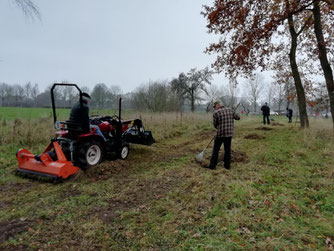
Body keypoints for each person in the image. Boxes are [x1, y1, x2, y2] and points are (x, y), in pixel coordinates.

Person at [204, 101, 240, 170]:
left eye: (215, 107)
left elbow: (215, 124)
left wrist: (219, 127)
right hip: (229, 134)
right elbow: (238, 118)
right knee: (227, 150)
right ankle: (227, 166)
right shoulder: (230, 110)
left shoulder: (216, 113)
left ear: (218, 105)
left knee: (216, 149)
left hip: (220, 134)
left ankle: (212, 165)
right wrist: (233, 112)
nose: (215, 108)